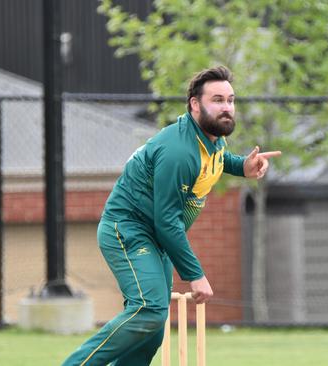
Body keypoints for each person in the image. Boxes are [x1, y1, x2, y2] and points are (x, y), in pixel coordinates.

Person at [62, 66, 281, 366]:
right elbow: (167, 221)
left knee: (152, 330)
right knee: (149, 311)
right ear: (195, 103)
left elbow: (215, 161)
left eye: (230, 100)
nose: (227, 107)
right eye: (217, 100)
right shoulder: (179, 150)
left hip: (155, 238)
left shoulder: (211, 139)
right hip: (127, 231)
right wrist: (195, 275)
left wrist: (242, 165)